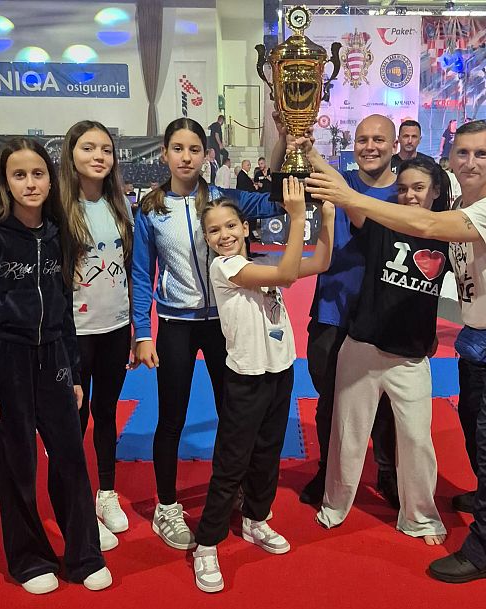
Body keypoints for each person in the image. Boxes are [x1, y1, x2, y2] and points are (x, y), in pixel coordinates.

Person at [306, 120, 486, 584]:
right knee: (471, 429)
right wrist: (307, 148)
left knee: (482, 440)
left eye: (482, 154)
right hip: (468, 337)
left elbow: (428, 224)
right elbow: (377, 208)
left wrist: (357, 198)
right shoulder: (450, 211)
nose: (470, 162)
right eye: (463, 153)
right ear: (451, 160)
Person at [0, 138, 112, 594]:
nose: (30, 183)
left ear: (50, 179)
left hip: (54, 359)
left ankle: (84, 554)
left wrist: (74, 374)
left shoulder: (58, 233)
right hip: (5, 361)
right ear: (5, 182)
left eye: (38, 174)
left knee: (71, 458)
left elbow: (64, 309)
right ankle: (29, 558)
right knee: (16, 463)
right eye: (19, 175)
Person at [131, 117, 281, 551]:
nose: (186, 157)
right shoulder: (151, 210)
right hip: (176, 325)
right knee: (171, 418)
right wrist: (143, 332)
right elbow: (141, 274)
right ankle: (166, 506)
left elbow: (273, 200)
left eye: (194, 149)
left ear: (206, 154)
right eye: (177, 149)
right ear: (164, 154)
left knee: (234, 415)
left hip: (224, 323)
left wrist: (283, 141)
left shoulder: (222, 200)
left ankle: (234, 488)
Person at [191, 182, 334, 593]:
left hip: (280, 370)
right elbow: (288, 274)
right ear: (207, 238)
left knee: (268, 452)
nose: (224, 235)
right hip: (246, 377)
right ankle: (207, 543)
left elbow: (321, 261)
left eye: (230, 225)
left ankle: (255, 518)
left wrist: (326, 217)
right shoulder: (225, 268)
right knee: (232, 462)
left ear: (245, 227)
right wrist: (297, 216)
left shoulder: (260, 263)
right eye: (214, 230)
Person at [307, 153, 451, 545]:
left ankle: (420, 516)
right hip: (362, 346)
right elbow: (343, 190)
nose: (409, 196)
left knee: (417, 440)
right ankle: (335, 504)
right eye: (402, 189)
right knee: (348, 435)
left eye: (418, 188)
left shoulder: (449, 234)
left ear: (435, 191)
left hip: (410, 356)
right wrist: (308, 149)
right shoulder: (380, 222)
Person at [294, 114, 401, 509]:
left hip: (386, 314)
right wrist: (298, 142)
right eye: (362, 139)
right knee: (329, 400)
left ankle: (388, 472)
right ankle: (328, 469)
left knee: (386, 403)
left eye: (378, 139)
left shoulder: (408, 191)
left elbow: (365, 220)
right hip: (332, 309)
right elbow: (289, 176)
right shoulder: (337, 182)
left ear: (394, 146)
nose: (370, 146)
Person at [59, 121, 134, 552]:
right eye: (88, 148)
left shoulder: (119, 205)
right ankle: (79, 503)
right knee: (76, 417)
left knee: (106, 411)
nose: (98, 156)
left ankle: (106, 492)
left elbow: (129, 270)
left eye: (106, 149)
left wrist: (137, 327)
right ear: (71, 154)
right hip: (76, 332)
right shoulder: (59, 208)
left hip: (115, 328)